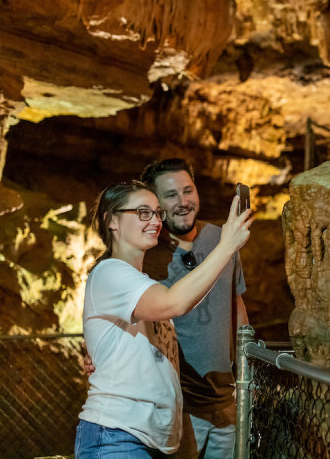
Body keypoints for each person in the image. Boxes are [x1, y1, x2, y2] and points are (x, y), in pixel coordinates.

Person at [76, 181, 251, 458]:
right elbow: (174, 303)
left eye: (158, 213)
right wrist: (226, 246)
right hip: (117, 436)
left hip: (151, 440)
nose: (156, 220)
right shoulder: (109, 272)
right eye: (143, 212)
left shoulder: (143, 285)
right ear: (112, 221)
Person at [140, 158, 251, 459]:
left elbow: (235, 303)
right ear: (156, 203)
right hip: (178, 407)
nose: (183, 202)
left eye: (188, 191)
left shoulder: (220, 238)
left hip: (226, 400)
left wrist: (245, 374)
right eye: (171, 195)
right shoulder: (146, 255)